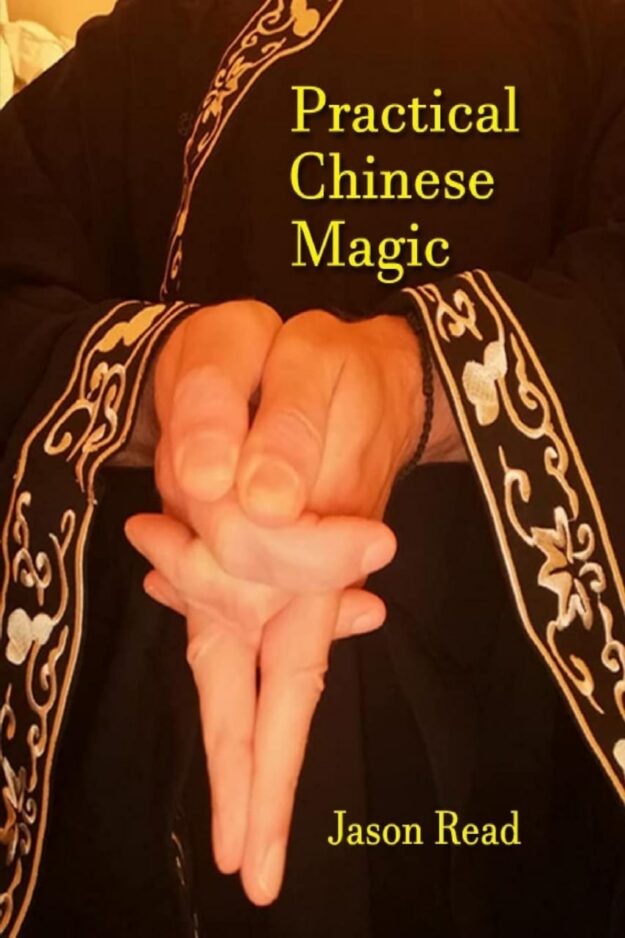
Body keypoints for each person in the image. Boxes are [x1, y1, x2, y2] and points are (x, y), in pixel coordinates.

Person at [0, 1, 623, 935]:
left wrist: (427, 384)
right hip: (154, 746)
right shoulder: (161, 33)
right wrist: (154, 388)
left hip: (516, 752)